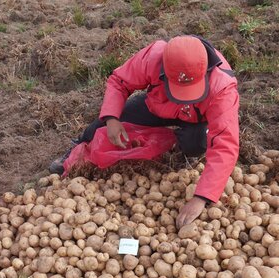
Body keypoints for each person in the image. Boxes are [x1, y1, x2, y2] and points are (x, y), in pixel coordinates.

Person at [49, 36, 239, 230]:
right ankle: (75, 149)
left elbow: (225, 144)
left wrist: (202, 197)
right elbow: (119, 81)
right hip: (158, 105)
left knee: (197, 143)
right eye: (180, 90)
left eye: (189, 91)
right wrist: (112, 119)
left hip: (197, 118)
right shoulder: (154, 57)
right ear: (165, 70)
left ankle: (174, 149)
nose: (184, 98)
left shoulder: (222, 87)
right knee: (104, 122)